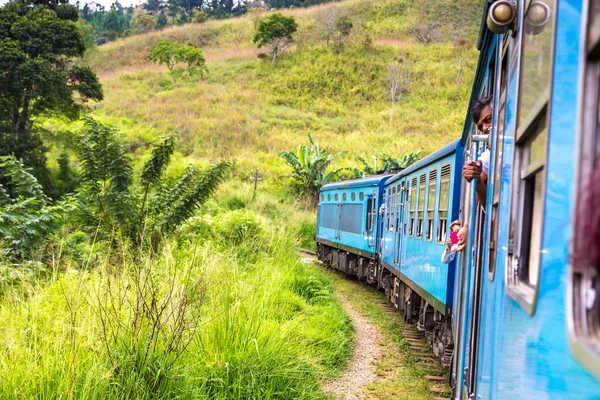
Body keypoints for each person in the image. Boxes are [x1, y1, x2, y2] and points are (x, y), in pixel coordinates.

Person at [458, 96, 493, 253]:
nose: (485, 128)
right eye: (481, 126)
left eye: (489, 119)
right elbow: (474, 196)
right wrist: (466, 225)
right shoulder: (488, 156)